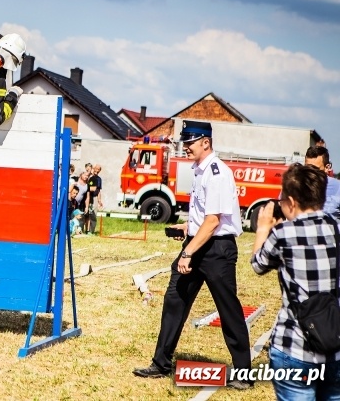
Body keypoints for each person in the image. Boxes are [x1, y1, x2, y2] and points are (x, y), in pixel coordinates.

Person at [134, 120, 252, 390]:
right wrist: (187, 227)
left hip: (217, 250)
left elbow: (214, 221)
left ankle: (244, 374)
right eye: (184, 142)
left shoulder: (217, 171)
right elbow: (203, 217)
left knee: (228, 310)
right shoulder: (199, 170)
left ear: (206, 142)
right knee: (174, 301)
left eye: (190, 142)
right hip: (198, 242)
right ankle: (161, 363)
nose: (185, 147)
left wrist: (187, 251)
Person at [251, 163, 340, 399]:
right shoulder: (336, 228)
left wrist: (262, 229)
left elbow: (258, 265)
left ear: (291, 202)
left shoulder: (284, 234)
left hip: (295, 345)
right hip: (335, 345)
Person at [304, 145, 340, 218]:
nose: (310, 172)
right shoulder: (294, 185)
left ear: (327, 168)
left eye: (315, 169)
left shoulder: (338, 188)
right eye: (307, 168)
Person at [84, 164, 103, 233]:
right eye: (96, 169)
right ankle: (84, 229)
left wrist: (99, 200)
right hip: (85, 197)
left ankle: (91, 231)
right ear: (93, 169)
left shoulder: (98, 179)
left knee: (92, 214)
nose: (97, 171)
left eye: (99, 169)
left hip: (93, 198)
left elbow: (97, 190)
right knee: (85, 214)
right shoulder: (87, 177)